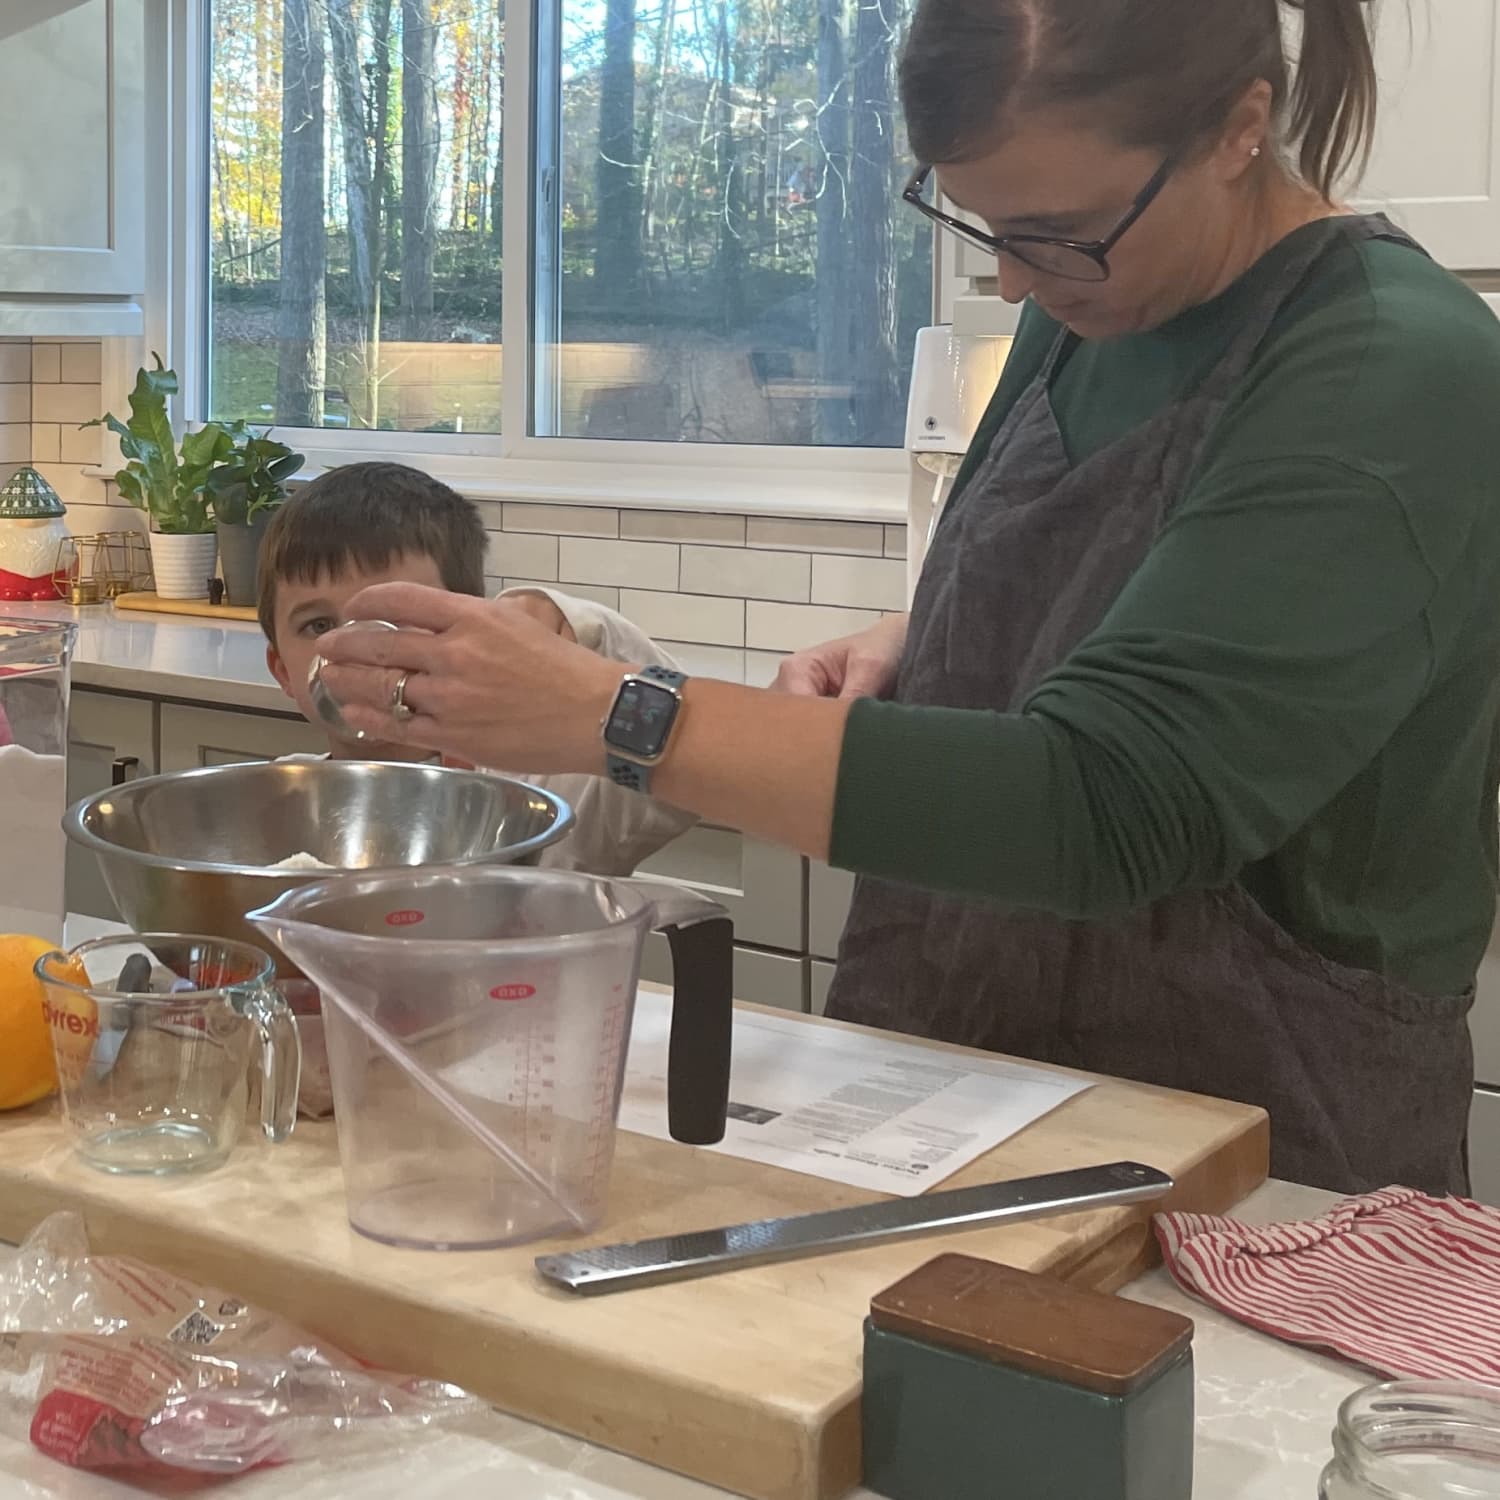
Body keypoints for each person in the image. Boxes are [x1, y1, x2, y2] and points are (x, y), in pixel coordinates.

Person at [312, 0, 1500, 1197]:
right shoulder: (1098, 305)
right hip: (962, 1071)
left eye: (1062, 231)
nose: (1018, 279)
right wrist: (936, 644)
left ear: (1242, 129)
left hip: (1266, 1144)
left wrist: (620, 715)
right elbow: (1157, 605)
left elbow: (1113, 800)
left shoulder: (1389, 367)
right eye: (982, 224)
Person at [256, 461, 694, 875]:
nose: (358, 648)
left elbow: (679, 753)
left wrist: (586, 627)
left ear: (466, 635)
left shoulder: (547, 789)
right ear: (282, 671)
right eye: (319, 625)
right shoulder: (275, 802)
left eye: (395, 620)